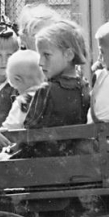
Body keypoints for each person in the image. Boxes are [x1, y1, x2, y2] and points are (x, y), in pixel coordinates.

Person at [17, 19, 90, 158]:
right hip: (74, 160)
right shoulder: (84, 87)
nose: (40, 62)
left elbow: (29, 131)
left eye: (46, 55)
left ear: (68, 55)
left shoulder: (46, 90)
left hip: (41, 162)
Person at [0, 49, 44, 131]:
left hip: (29, 142)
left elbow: (9, 128)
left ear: (17, 80)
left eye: (13, 84)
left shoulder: (23, 102)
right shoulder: (49, 96)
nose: (16, 90)